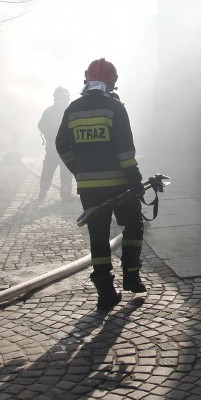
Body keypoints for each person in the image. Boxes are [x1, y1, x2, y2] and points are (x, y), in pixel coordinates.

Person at [55, 58, 146, 310]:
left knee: (98, 236)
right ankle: (131, 276)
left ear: (87, 81)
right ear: (112, 82)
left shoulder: (72, 109)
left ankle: (105, 292)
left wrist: (79, 170)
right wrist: (136, 181)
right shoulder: (115, 109)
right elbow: (125, 152)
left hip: (89, 188)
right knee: (134, 224)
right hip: (119, 185)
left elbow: (61, 146)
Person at [37, 86, 74, 202]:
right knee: (65, 173)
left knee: (49, 171)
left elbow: (41, 124)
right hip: (65, 150)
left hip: (53, 149)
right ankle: (65, 195)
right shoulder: (71, 110)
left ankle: (43, 191)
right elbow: (41, 124)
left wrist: (48, 133)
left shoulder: (49, 111)